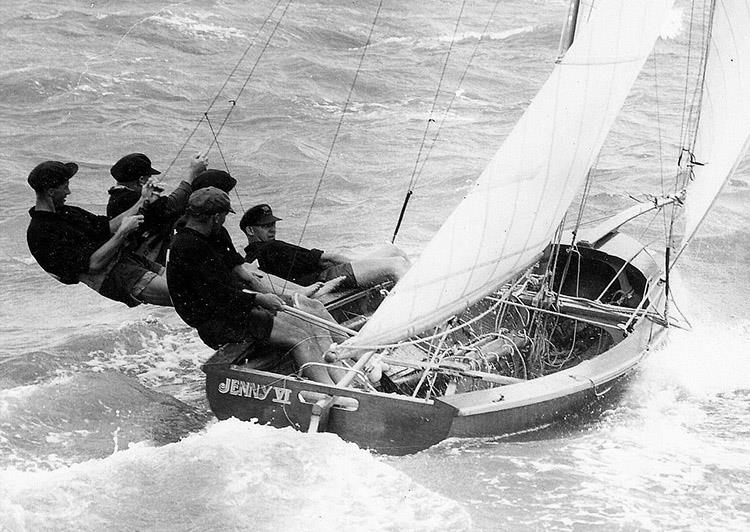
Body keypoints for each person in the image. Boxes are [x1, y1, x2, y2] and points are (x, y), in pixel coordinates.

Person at [166, 187, 345, 384]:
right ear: (216, 217)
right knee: (300, 336)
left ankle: (345, 374)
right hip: (216, 321)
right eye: (225, 216)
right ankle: (331, 389)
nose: (225, 220)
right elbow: (215, 296)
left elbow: (241, 273)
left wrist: (271, 296)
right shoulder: (186, 246)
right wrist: (258, 299)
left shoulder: (215, 233)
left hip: (237, 307)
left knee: (312, 320)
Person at [26, 160, 172, 307]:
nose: (68, 192)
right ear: (51, 191)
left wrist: (143, 200)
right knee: (186, 294)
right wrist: (123, 232)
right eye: (65, 187)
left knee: (191, 285)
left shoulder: (67, 211)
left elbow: (108, 227)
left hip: (130, 260)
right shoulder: (40, 233)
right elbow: (93, 265)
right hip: (113, 277)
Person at [239, 204, 410, 291]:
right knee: (396, 262)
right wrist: (361, 265)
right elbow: (330, 258)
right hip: (326, 279)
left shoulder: (250, 260)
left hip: (318, 278)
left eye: (273, 224)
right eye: (266, 226)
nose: (273, 229)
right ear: (250, 230)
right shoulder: (273, 247)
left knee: (392, 251)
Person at [106, 152, 208, 264]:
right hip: (141, 260)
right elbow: (172, 206)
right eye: (149, 177)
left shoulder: (118, 195)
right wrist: (192, 172)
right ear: (141, 180)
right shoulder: (131, 198)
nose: (152, 179)